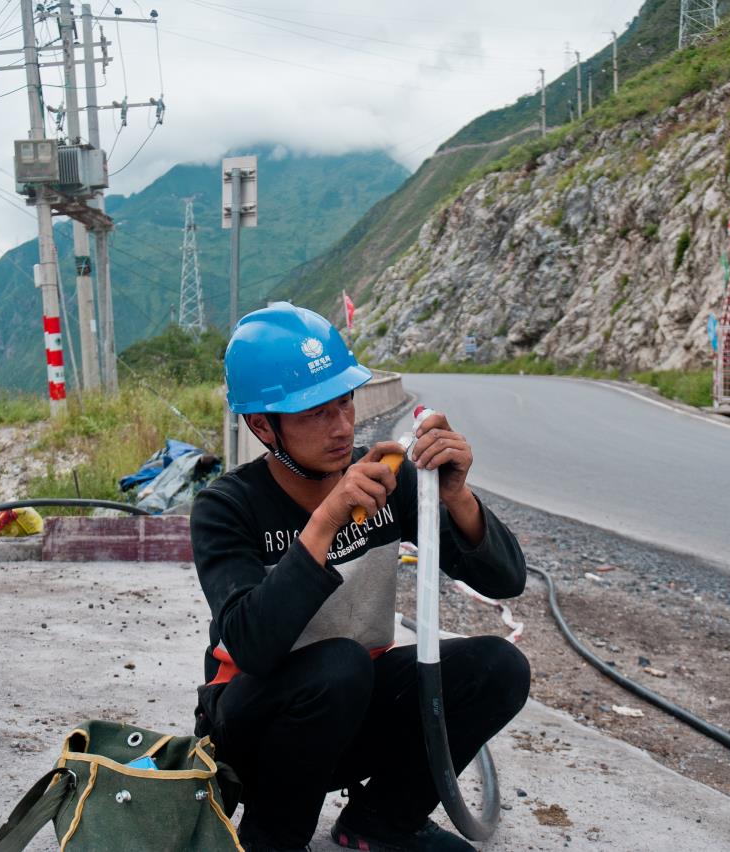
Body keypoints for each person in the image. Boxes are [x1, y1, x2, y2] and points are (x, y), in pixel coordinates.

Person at [191, 303, 530, 852]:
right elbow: (251, 644)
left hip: (354, 707)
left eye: (345, 403)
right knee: (339, 664)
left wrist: (455, 496)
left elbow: (506, 580)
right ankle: (271, 838)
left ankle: (381, 821)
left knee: (497, 666)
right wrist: (324, 521)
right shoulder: (228, 506)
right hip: (256, 730)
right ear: (261, 426)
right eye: (314, 414)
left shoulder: (386, 484)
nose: (342, 427)